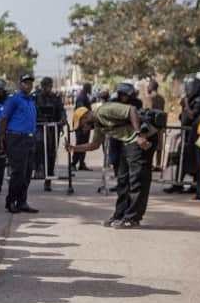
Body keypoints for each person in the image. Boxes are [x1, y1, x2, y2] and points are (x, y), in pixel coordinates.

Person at [66, 83, 157, 227]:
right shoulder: (98, 125)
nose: (84, 129)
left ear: (85, 117)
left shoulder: (104, 110)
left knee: (137, 180)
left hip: (141, 140)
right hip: (128, 143)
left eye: (82, 125)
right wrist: (74, 148)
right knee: (122, 181)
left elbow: (131, 110)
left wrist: (139, 135)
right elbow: (94, 145)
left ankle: (132, 218)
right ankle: (119, 215)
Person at [0, 74, 39, 213]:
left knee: (27, 173)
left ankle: (22, 202)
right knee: (18, 173)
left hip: (29, 139)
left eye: (30, 83)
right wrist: (2, 138)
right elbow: (3, 119)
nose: (28, 85)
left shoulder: (31, 100)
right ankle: (10, 202)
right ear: (20, 84)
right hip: (16, 139)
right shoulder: (14, 99)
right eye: (25, 83)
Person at [166, 78, 200, 194]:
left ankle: (194, 185)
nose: (188, 90)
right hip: (187, 135)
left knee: (194, 161)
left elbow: (191, 116)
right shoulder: (191, 100)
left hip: (194, 135)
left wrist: (186, 103)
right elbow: (183, 117)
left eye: (190, 87)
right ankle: (178, 184)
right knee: (181, 159)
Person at [33, 76, 66, 192]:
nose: (46, 88)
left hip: (53, 128)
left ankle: (48, 180)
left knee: (51, 154)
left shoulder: (56, 98)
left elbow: (62, 110)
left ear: (51, 86)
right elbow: (33, 111)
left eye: (48, 85)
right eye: (44, 85)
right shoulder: (36, 97)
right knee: (39, 143)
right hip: (40, 127)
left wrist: (62, 120)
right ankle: (39, 167)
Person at [72, 83, 94, 170]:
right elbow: (81, 112)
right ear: (87, 88)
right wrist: (85, 125)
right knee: (80, 144)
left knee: (84, 144)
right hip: (81, 125)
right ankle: (73, 163)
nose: (91, 89)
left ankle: (81, 163)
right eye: (90, 88)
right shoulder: (82, 97)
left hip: (86, 124)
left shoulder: (84, 96)